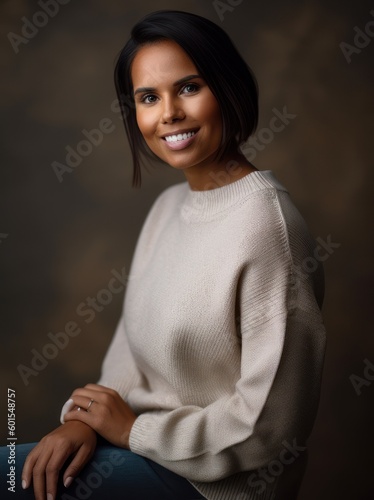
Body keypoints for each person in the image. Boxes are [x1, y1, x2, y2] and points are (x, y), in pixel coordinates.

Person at [1, 10, 326, 500]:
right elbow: (131, 355)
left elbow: (270, 426)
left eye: (190, 88)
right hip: (139, 452)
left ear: (230, 90)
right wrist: (87, 424)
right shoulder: (168, 207)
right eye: (148, 98)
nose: (169, 112)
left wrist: (133, 432)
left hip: (214, 487)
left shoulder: (268, 226)